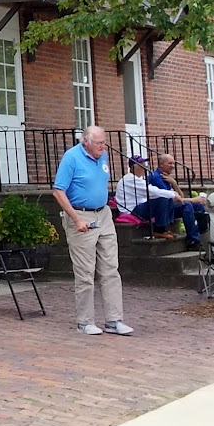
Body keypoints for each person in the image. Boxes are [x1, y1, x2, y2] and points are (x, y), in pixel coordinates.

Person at [52, 125, 133, 336]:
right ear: (85, 142)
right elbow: (58, 191)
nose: (103, 147)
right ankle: (84, 322)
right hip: (81, 216)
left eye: (104, 142)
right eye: (99, 143)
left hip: (103, 214)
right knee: (85, 272)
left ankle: (114, 320)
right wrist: (76, 218)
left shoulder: (102, 156)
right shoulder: (71, 158)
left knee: (110, 268)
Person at [115, 153, 204, 245]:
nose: (144, 167)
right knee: (164, 197)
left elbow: (175, 196)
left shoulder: (142, 179)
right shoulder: (130, 179)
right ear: (134, 167)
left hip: (142, 206)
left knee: (189, 206)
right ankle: (159, 229)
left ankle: (196, 237)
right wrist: (173, 194)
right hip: (132, 210)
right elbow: (152, 191)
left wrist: (174, 184)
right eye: (141, 165)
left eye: (145, 164)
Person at [149, 154, 209, 242]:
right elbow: (173, 199)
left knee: (198, 206)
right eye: (169, 163)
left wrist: (174, 183)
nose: (173, 166)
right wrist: (193, 200)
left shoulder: (166, 177)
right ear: (161, 164)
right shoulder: (156, 177)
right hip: (161, 210)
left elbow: (181, 196)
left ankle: (203, 235)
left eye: (173, 163)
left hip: (169, 207)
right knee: (187, 205)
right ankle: (193, 240)